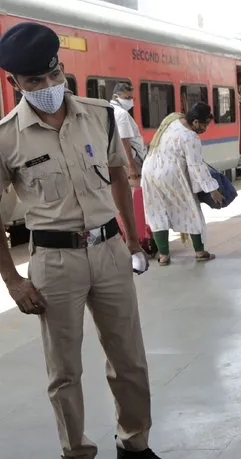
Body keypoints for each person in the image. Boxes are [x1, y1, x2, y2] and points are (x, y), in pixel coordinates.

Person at [0, 22, 160, 459]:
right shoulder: (6, 137)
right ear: (14, 82)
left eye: (54, 74)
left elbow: (117, 177)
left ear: (61, 67)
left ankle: (134, 443)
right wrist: (12, 280)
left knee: (129, 358)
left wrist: (131, 241)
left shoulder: (100, 115)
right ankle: (76, 451)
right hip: (54, 260)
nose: (49, 86)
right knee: (64, 370)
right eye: (35, 81)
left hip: (109, 250)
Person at [141, 102, 224, 265]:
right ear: (195, 122)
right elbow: (196, 165)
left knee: (157, 212)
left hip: (149, 170)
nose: (204, 129)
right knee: (190, 208)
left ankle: (164, 256)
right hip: (171, 174)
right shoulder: (190, 137)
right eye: (204, 125)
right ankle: (200, 251)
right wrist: (212, 188)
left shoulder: (171, 119)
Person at [110, 82, 156, 257]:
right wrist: (132, 167)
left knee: (121, 201)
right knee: (134, 199)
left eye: (132, 98)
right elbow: (125, 141)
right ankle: (139, 237)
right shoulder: (121, 114)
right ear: (117, 95)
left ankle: (129, 236)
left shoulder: (110, 109)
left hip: (118, 162)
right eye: (127, 97)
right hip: (132, 162)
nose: (131, 101)